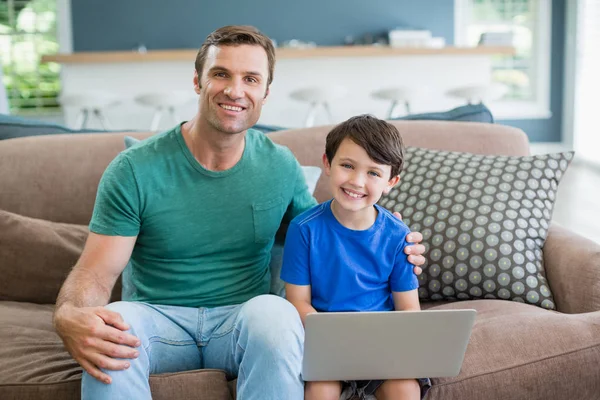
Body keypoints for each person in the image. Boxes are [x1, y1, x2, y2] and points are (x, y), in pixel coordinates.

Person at [52, 26, 426, 400]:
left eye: (251, 79)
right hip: (157, 319)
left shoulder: (279, 166)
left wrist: (394, 244)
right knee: (111, 328)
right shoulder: (134, 169)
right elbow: (96, 272)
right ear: (198, 81)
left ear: (265, 93)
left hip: (243, 319)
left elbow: (328, 236)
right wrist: (69, 313)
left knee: (277, 315)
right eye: (221, 74)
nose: (235, 90)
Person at [281, 115, 431, 400]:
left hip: (382, 348)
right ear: (327, 163)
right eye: (347, 166)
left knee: (405, 389)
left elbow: (409, 310)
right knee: (319, 390)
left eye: (373, 173)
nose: (357, 181)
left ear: (391, 181)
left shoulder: (399, 236)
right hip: (325, 344)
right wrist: (334, 338)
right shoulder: (304, 229)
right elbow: (298, 301)